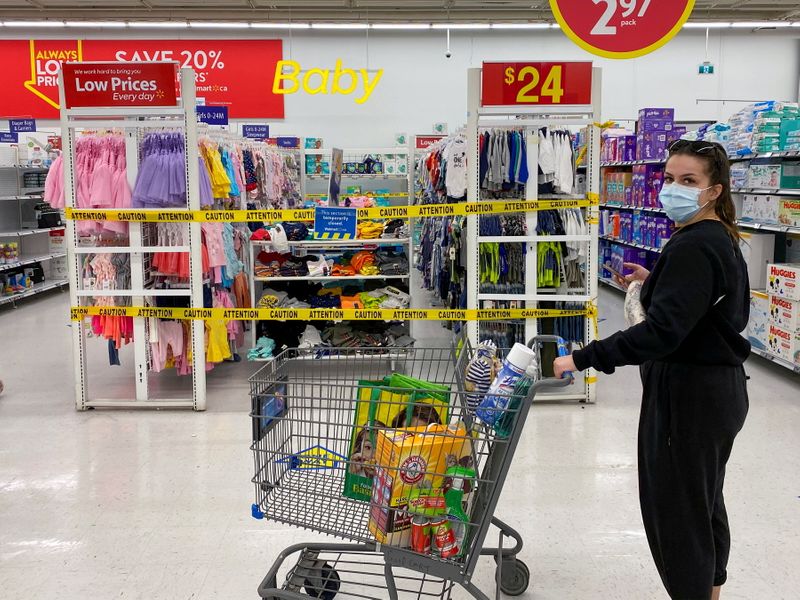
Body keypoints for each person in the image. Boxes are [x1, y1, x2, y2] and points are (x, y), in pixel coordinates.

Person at [554, 140, 750, 600]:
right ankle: (710, 591)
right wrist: (654, 280)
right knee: (703, 502)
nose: (672, 189)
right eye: (667, 178)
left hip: (689, 396)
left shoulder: (694, 244)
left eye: (688, 181)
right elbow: (704, 306)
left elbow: (662, 333)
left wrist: (582, 357)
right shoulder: (717, 236)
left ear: (713, 190)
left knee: (678, 515)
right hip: (717, 391)